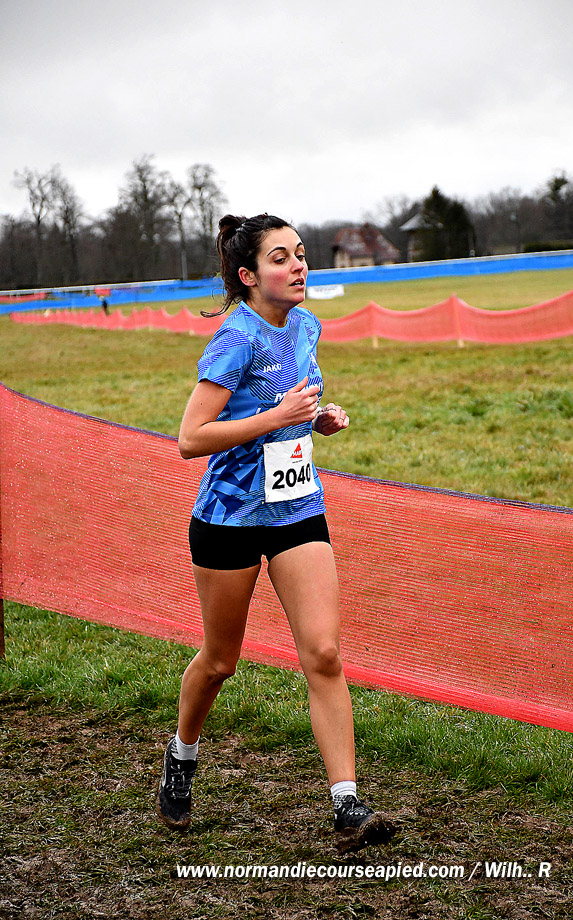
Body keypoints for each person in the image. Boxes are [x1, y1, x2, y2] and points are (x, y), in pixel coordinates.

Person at [155, 213, 395, 852]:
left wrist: (315, 420)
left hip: (296, 510)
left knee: (324, 653)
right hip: (228, 519)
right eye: (281, 258)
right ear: (248, 275)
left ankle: (347, 803)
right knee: (220, 662)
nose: (299, 267)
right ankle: (181, 753)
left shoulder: (307, 325)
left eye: (301, 254)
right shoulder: (235, 338)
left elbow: (292, 407)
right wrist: (276, 416)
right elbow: (190, 439)